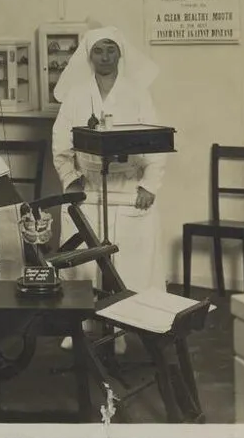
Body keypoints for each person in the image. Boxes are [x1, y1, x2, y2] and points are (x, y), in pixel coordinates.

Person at [51, 26, 168, 350]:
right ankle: (79, 325)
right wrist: (70, 178)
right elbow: (61, 142)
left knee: (132, 263)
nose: (105, 57)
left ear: (120, 54)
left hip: (128, 189)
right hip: (89, 189)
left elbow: (156, 142)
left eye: (111, 50)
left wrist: (149, 185)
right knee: (83, 263)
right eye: (99, 51)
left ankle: (126, 329)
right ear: (89, 56)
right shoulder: (76, 95)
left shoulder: (138, 93)